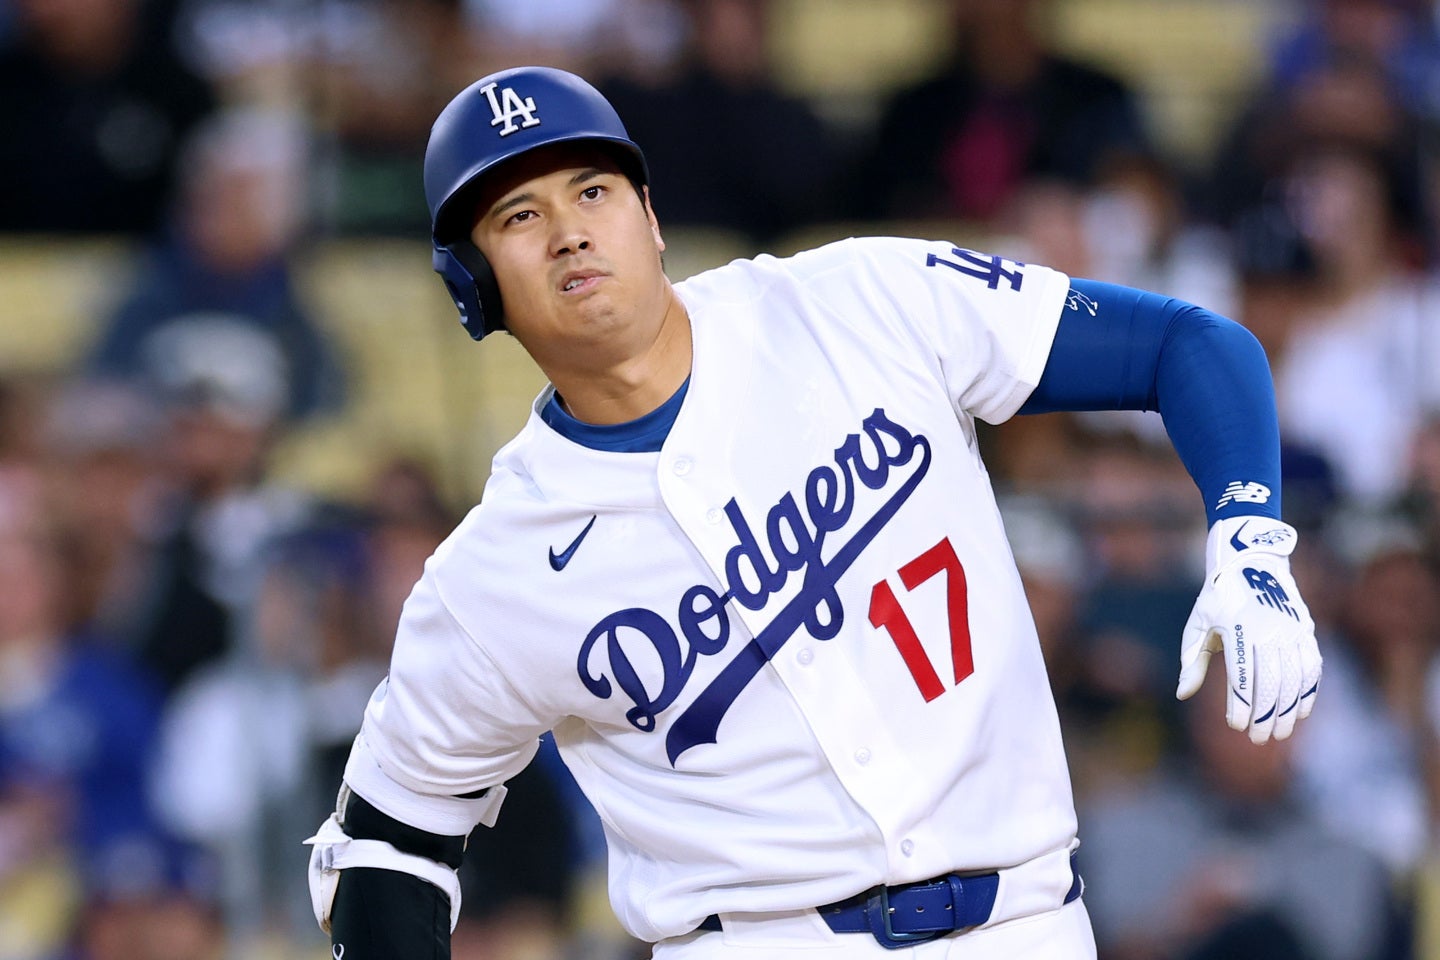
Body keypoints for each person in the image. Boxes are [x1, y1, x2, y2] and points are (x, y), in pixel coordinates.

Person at [305, 66, 1324, 959]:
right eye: (518, 216)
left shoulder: (858, 303)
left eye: (593, 188)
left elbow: (1190, 346)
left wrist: (1249, 538)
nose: (570, 227)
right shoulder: (494, 572)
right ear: (474, 285)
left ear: (650, 215)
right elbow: (389, 835)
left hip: (1026, 925)